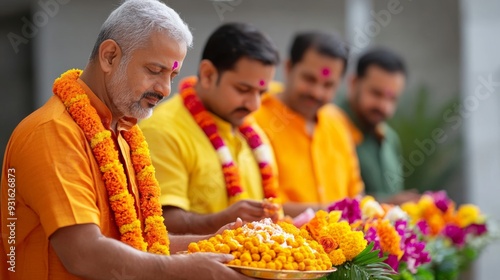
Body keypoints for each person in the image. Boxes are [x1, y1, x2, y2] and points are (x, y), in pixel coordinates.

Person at [0, 1, 251, 279]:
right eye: (155, 71)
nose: (165, 89)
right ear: (109, 56)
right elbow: (84, 253)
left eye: (172, 75)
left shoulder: (122, 132)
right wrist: (185, 268)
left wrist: (213, 244)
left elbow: (140, 245)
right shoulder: (53, 133)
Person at [140, 23, 281, 235]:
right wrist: (224, 220)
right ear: (207, 74)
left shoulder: (251, 133)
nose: (254, 105)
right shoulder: (162, 131)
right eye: (243, 89)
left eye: (261, 93)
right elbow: (160, 224)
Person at [252, 31, 364, 218]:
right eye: (309, 79)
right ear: (288, 68)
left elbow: (356, 194)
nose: (317, 93)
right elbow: (256, 205)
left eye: (328, 85)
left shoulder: (338, 122)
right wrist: (330, 213)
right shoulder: (255, 120)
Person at [337, 47, 420, 205]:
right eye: (376, 94)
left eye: (392, 99)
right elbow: (328, 200)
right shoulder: (329, 128)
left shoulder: (389, 137)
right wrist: (387, 204)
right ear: (354, 83)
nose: (384, 106)